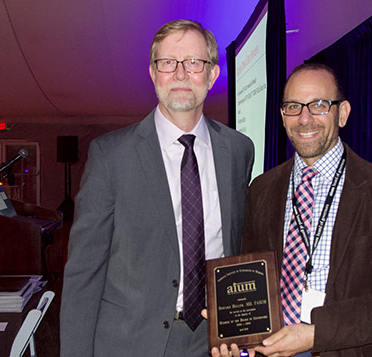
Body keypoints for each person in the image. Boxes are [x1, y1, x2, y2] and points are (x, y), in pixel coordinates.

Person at [60, 19, 254, 357]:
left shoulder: (239, 150)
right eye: (168, 63)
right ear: (153, 74)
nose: (180, 73)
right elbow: (83, 275)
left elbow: (237, 245)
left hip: (213, 342)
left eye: (194, 63)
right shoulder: (111, 155)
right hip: (131, 342)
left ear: (212, 75)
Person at [211, 63, 372, 357]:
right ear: (282, 116)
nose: (304, 118)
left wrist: (317, 334)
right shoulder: (261, 189)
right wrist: (238, 334)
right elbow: (252, 280)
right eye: (293, 106)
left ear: (343, 113)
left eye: (319, 105)